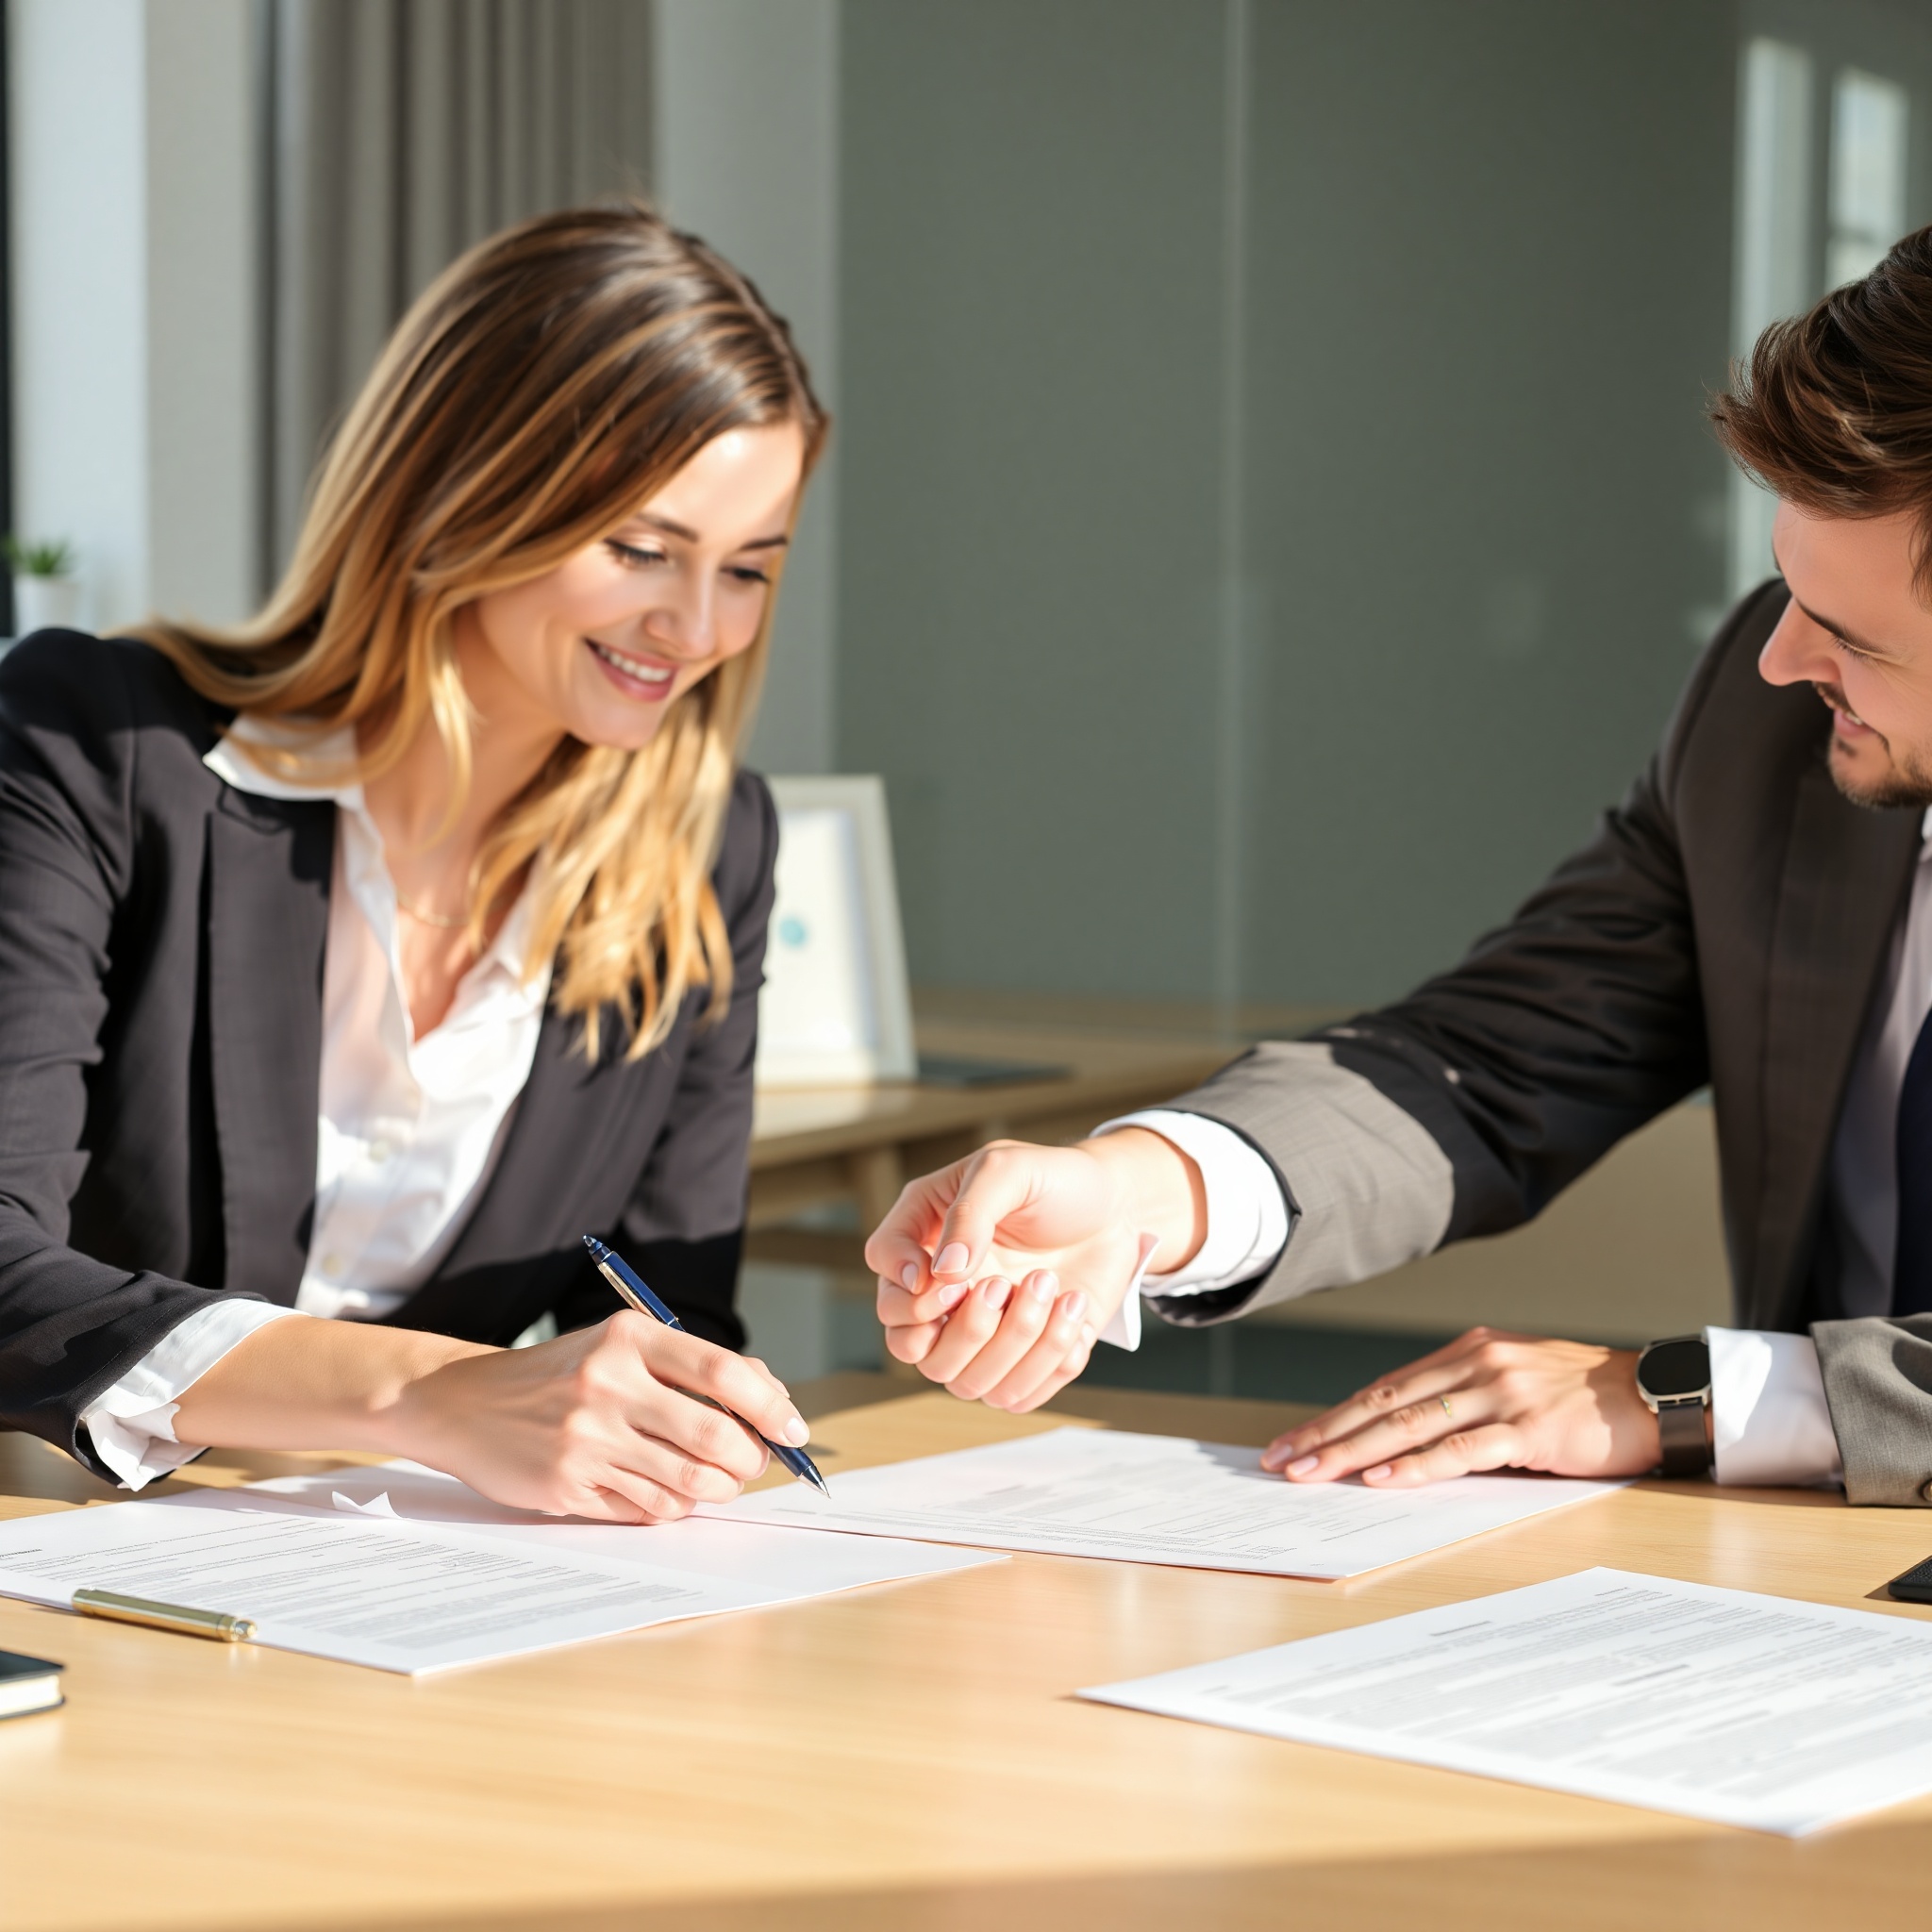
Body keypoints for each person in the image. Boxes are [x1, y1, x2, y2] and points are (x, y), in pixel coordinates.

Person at [868, 225, 1932, 1508]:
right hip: (1792, 1589)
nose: (1780, 662)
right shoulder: (1769, 727)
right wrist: (1140, 1194)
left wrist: (1693, 1397)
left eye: (1851, 636)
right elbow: (1492, 1062)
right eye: (1787, 596)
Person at [0, 202, 824, 1524]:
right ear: (465, 489)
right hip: (64, 1562)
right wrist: (428, 1396)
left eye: (749, 570)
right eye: (640, 550)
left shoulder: (707, 851)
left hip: (431, 1600)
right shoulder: (98, 748)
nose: (694, 626)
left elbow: (674, 1319)